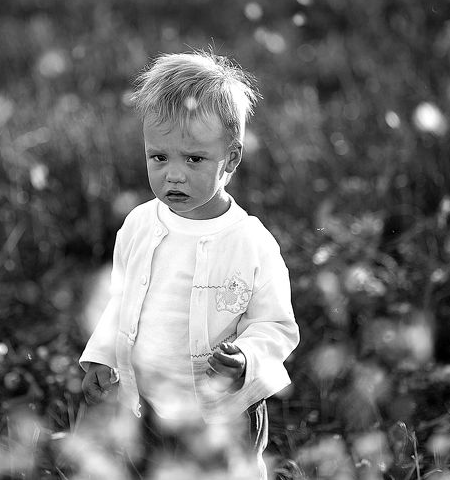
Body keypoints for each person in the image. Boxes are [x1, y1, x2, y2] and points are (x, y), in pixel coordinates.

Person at [79, 50, 299, 479]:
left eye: (194, 159)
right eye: (158, 157)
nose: (173, 175)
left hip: (221, 412)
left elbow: (277, 325)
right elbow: (121, 299)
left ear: (231, 160)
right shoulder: (140, 224)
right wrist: (103, 356)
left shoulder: (250, 242)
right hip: (145, 402)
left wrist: (247, 358)